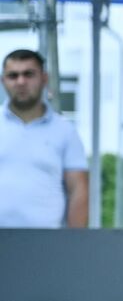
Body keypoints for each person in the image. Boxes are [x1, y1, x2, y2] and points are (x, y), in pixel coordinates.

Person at [1, 49, 88, 229]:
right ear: (3, 81)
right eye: (13, 75)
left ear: (44, 78)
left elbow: (78, 189)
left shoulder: (65, 131)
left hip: (47, 244)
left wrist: (75, 244)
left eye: (28, 74)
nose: (21, 81)